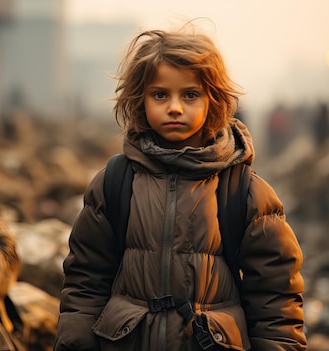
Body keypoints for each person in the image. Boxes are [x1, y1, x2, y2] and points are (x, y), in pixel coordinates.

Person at [54, 27, 307, 350]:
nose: (175, 107)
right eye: (160, 94)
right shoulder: (115, 182)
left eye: (190, 95)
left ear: (212, 100)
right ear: (140, 99)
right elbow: (85, 280)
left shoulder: (243, 191)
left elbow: (275, 296)